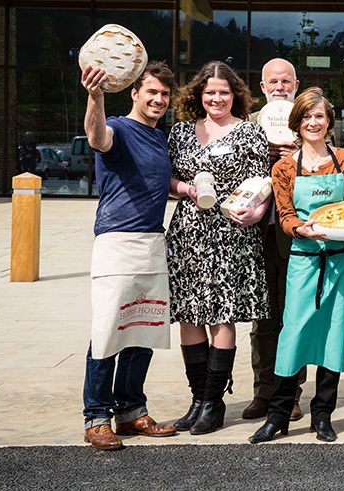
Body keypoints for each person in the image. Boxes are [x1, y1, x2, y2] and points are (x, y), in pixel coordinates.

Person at [249, 88, 344, 443]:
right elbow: (284, 214)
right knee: (292, 334)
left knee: (334, 335)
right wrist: (302, 229)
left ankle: (323, 415)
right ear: (297, 124)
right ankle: (278, 415)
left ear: (329, 121)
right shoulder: (284, 167)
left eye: (320, 116)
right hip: (302, 259)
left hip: (342, 261)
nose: (314, 123)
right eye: (307, 117)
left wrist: (338, 229)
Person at [166, 60, 271, 435]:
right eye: (210, 92)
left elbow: (264, 182)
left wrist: (257, 213)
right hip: (188, 233)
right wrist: (186, 189)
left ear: (235, 95)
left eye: (224, 92)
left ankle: (214, 402)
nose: (216, 98)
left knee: (221, 316)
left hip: (232, 232)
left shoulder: (248, 132)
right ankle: (197, 399)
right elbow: (169, 179)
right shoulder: (179, 132)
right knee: (189, 315)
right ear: (199, 94)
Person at [79, 60, 178, 451]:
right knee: (108, 332)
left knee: (143, 331)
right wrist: (95, 95)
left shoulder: (160, 137)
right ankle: (96, 417)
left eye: (164, 94)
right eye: (151, 92)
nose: (158, 99)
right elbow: (96, 137)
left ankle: (131, 411)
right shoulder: (118, 126)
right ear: (134, 93)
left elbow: (156, 181)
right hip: (117, 241)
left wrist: (184, 189)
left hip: (153, 241)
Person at [243, 58, 307, 423]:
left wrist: (295, 158)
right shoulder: (248, 126)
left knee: (293, 313)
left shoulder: (312, 123)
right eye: (273, 81)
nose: (280, 86)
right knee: (263, 317)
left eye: (286, 81)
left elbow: (329, 169)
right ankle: (262, 391)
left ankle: (291, 393)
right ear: (263, 87)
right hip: (258, 233)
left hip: (295, 232)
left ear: (296, 84)